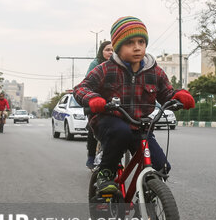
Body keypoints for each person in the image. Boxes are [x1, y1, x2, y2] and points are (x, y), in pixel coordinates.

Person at [74, 16, 195, 195]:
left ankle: (149, 195)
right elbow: (81, 88)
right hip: (109, 122)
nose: (137, 47)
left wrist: (178, 96)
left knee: (160, 166)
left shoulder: (154, 71)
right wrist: (92, 99)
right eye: (130, 42)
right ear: (117, 46)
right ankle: (105, 175)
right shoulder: (106, 69)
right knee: (120, 132)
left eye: (141, 42)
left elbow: (166, 93)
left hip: (139, 125)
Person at [84, 40, 114, 169]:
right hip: (97, 101)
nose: (111, 52)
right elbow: (87, 85)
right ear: (102, 51)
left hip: (114, 101)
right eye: (108, 50)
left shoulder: (120, 64)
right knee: (93, 128)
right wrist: (94, 99)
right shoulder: (96, 64)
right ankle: (91, 156)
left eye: (113, 50)